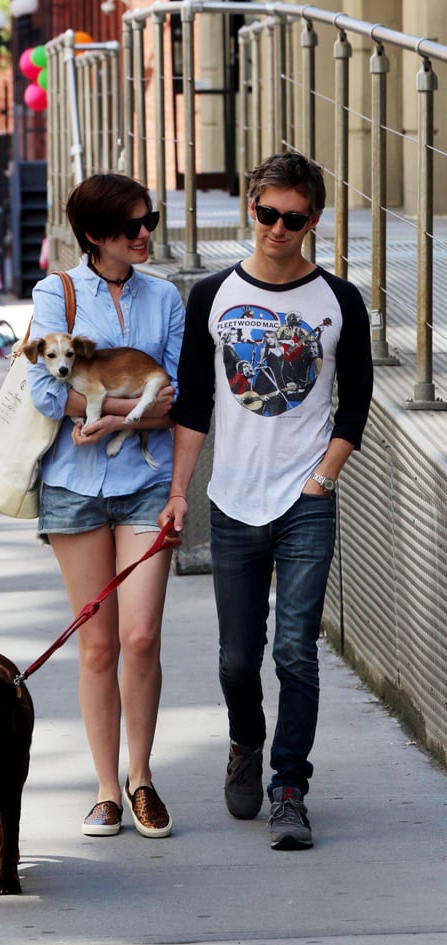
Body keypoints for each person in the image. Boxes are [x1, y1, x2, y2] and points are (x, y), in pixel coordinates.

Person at [158, 152, 373, 850]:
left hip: (306, 496)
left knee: (296, 652)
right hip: (231, 499)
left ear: (312, 220)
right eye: (265, 213)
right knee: (234, 659)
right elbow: (193, 403)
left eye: (293, 218)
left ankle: (288, 788)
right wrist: (179, 496)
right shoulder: (212, 296)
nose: (277, 228)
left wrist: (323, 477)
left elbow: (357, 404)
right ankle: (244, 742)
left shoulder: (338, 300)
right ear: (250, 208)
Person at [26, 173, 185, 838]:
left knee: (139, 638)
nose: (144, 234)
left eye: (147, 221)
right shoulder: (55, 293)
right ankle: (103, 790)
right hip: (72, 488)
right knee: (96, 648)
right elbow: (45, 393)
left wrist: (110, 417)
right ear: (94, 236)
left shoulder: (166, 297)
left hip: (146, 484)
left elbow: (176, 398)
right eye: (130, 227)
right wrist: (133, 406)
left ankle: (140, 776)